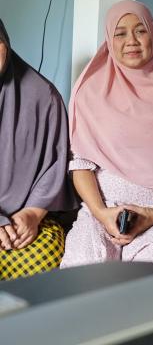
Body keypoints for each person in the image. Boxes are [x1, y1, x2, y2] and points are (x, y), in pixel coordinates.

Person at [61, 0, 153, 268]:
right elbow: (80, 163)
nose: (131, 41)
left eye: (140, 31)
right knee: (82, 271)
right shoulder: (90, 89)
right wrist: (102, 213)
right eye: (120, 33)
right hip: (100, 211)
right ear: (109, 39)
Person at [0, 19, 76, 280]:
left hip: (22, 218)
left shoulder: (43, 96)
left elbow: (55, 164)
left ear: (6, 43)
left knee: (46, 254)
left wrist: (33, 213)